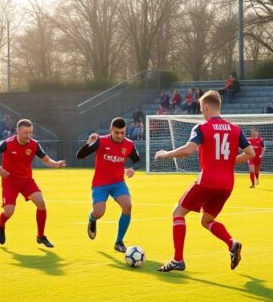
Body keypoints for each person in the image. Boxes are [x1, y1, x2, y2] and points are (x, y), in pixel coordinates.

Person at [154, 90, 254, 272]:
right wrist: (229, 160)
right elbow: (251, 153)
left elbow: (187, 150)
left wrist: (164, 154)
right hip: (226, 184)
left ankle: (178, 259)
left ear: (206, 107)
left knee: (177, 213)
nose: (202, 112)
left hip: (207, 181)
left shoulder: (202, 127)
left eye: (201, 109)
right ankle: (232, 243)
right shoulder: (235, 129)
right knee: (206, 220)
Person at [0, 119, 66, 248]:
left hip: (27, 181)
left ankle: (41, 236)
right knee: (9, 212)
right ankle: (1, 225)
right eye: (25, 133)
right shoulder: (6, 143)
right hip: (10, 182)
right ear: (17, 131)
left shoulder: (34, 145)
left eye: (30, 132)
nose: (28, 136)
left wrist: (56, 164)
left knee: (41, 203)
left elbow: (46, 160)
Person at [76, 117, 140, 252]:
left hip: (118, 183)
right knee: (99, 212)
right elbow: (80, 156)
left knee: (128, 206)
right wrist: (89, 144)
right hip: (100, 183)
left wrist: (134, 169)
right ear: (111, 130)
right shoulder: (101, 141)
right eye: (117, 132)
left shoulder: (129, 144)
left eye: (123, 132)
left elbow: (137, 160)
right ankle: (92, 218)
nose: (120, 136)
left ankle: (119, 242)